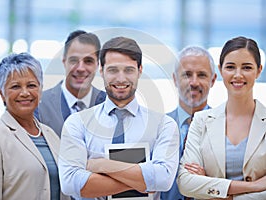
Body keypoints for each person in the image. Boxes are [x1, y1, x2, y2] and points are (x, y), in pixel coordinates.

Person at [58, 36, 179, 200]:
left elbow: (163, 179)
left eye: (129, 70)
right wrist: (144, 181)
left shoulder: (163, 125)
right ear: (101, 71)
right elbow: (70, 184)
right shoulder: (77, 123)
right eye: (113, 70)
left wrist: (101, 165)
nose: (121, 79)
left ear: (140, 70)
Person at [0, 53, 70, 200]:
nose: (24, 92)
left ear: (40, 90)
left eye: (31, 85)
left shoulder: (50, 134)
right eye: (15, 86)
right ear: (2, 93)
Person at [177, 36, 266, 199]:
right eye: (230, 67)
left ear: (259, 70)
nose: (238, 75)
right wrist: (253, 186)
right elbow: (185, 183)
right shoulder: (201, 121)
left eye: (246, 67)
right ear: (221, 70)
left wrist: (210, 187)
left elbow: (198, 187)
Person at [161, 46, 217, 200]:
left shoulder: (226, 128)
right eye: (187, 75)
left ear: (213, 80)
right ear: (175, 79)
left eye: (202, 75)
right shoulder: (156, 127)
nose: (194, 82)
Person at [35, 30, 106, 137]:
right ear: (64, 61)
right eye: (74, 60)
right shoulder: (40, 105)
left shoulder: (109, 104)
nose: (81, 68)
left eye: (88, 61)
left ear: (97, 65)